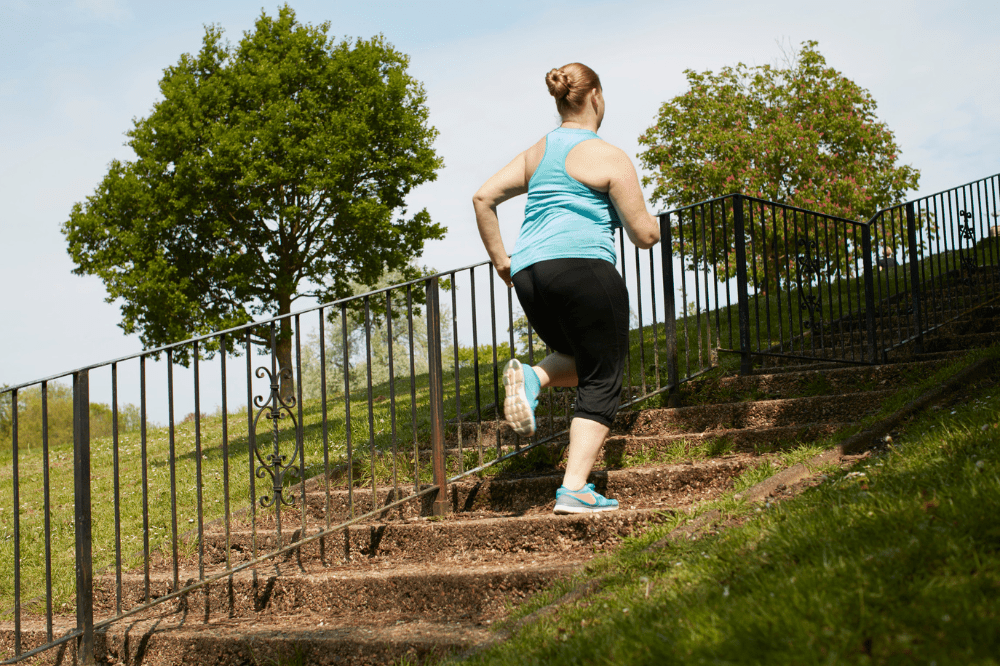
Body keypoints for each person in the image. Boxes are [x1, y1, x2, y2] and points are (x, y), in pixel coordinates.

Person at [472, 63, 660, 515]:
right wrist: (654, 224)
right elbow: (644, 235)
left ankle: (533, 378)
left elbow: (483, 197)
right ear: (595, 96)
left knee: (581, 358)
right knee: (604, 376)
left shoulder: (538, 153)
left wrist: (502, 259)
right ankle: (574, 488)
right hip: (584, 268)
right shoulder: (608, 155)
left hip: (531, 274)